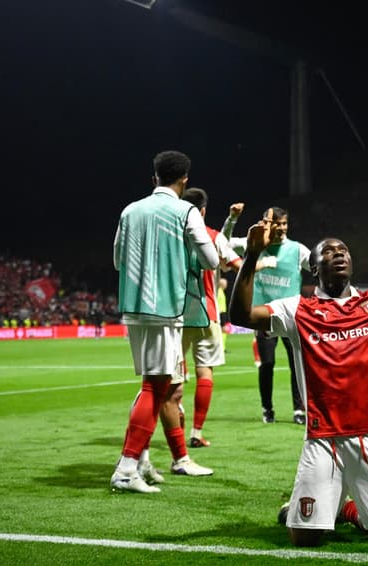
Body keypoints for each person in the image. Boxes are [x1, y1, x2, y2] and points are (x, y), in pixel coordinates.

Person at [229, 198, 368, 547]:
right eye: (328, 251)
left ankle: (348, 510)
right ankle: (324, 508)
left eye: (344, 250)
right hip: (324, 437)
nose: (338, 253)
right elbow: (242, 316)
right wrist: (251, 257)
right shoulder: (297, 310)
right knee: (305, 536)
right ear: (314, 267)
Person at [110, 150, 220, 493]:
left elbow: (117, 260)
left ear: (153, 176)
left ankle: (141, 460)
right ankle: (126, 469)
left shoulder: (130, 210)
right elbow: (211, 259)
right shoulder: (185, 210)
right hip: (165, 310)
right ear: (184, 180)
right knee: (154, 388)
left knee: (157, 387)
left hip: (133, 307)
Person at [223, 203, 310, 425]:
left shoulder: (298, 250)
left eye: (284, 223)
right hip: (264, 317)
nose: (282, 228)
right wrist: (232, 219)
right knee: (267, 364)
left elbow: (317, 266)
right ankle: (267, 409)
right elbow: (222, 243)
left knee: (296, 364)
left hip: (292, 317)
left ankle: (299, 409)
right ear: (267, 225)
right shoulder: (255, 244)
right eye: (277, 224)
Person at [179, 187, 243, 447]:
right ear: (203, 210)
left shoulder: (174, 237)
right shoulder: (215, 237)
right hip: (208, 314)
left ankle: (177, 430)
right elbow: (238, 265)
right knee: (205, 371)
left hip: (177, 315)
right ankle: (196, 433)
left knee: (174, 374)